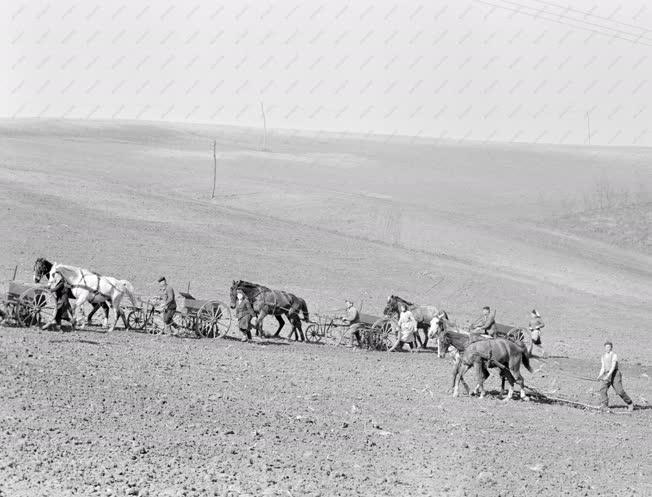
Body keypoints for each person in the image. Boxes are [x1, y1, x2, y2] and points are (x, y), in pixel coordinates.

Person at [597, 341, 634, 412]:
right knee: (602, 389)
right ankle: (604, 405)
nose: (607, 348)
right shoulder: (603, 356)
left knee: (619, 391)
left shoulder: (614, 355)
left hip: (615, 374)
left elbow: (613, 367)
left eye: (608, 347)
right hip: (606, 374)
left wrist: (608, 376)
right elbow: (603, 368)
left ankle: (630, 403)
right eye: (606, 347)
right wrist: (599, 376)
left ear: (611, 347)